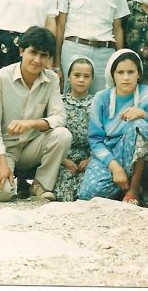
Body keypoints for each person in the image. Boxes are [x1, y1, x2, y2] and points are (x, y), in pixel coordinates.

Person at [0, 26, 71, 202]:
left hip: (32, 146)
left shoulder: (51, 79)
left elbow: (60, 117)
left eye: (43, 55)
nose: (37, 60)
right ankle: (11, 179)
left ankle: (40, 185)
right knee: (0, 194)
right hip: (5, 149)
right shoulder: (1, 77)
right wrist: (1, 162)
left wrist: (31, 123)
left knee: (62, 135)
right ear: (21, 51)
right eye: (33, 53)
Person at [77, 49, 148, 205]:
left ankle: (133, 190)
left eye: (131, 72)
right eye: (120, 72)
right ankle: (121, 188)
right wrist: (115, 168)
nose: (126, 77)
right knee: (89, 194)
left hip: (137, 155)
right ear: (113, 75)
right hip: (108, 153)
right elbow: (95, 140)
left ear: (139, 74)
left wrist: (144, 116)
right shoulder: (101, 98)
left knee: (139, 125)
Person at [53, 56, 95, 202]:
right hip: (63, 158)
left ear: (92, 79)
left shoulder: (97, 103)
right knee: (64, 193)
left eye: (86, 76)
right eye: (77, 75)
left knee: (87, 193)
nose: (81, 80)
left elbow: (103, 136)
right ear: (69, 77)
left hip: (88, 159)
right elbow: (51, 135)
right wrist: (63, 160)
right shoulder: (59, 102)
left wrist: (90, 159)